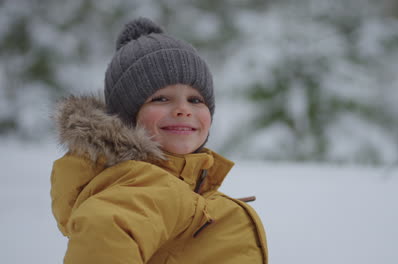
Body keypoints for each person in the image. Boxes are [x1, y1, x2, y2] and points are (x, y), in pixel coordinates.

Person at [50, 17, 268, 264]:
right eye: (161, 99)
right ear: (125, 117)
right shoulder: (138, 191)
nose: (183, 109)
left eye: (195, 100)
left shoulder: (177, 186)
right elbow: (104, 232)